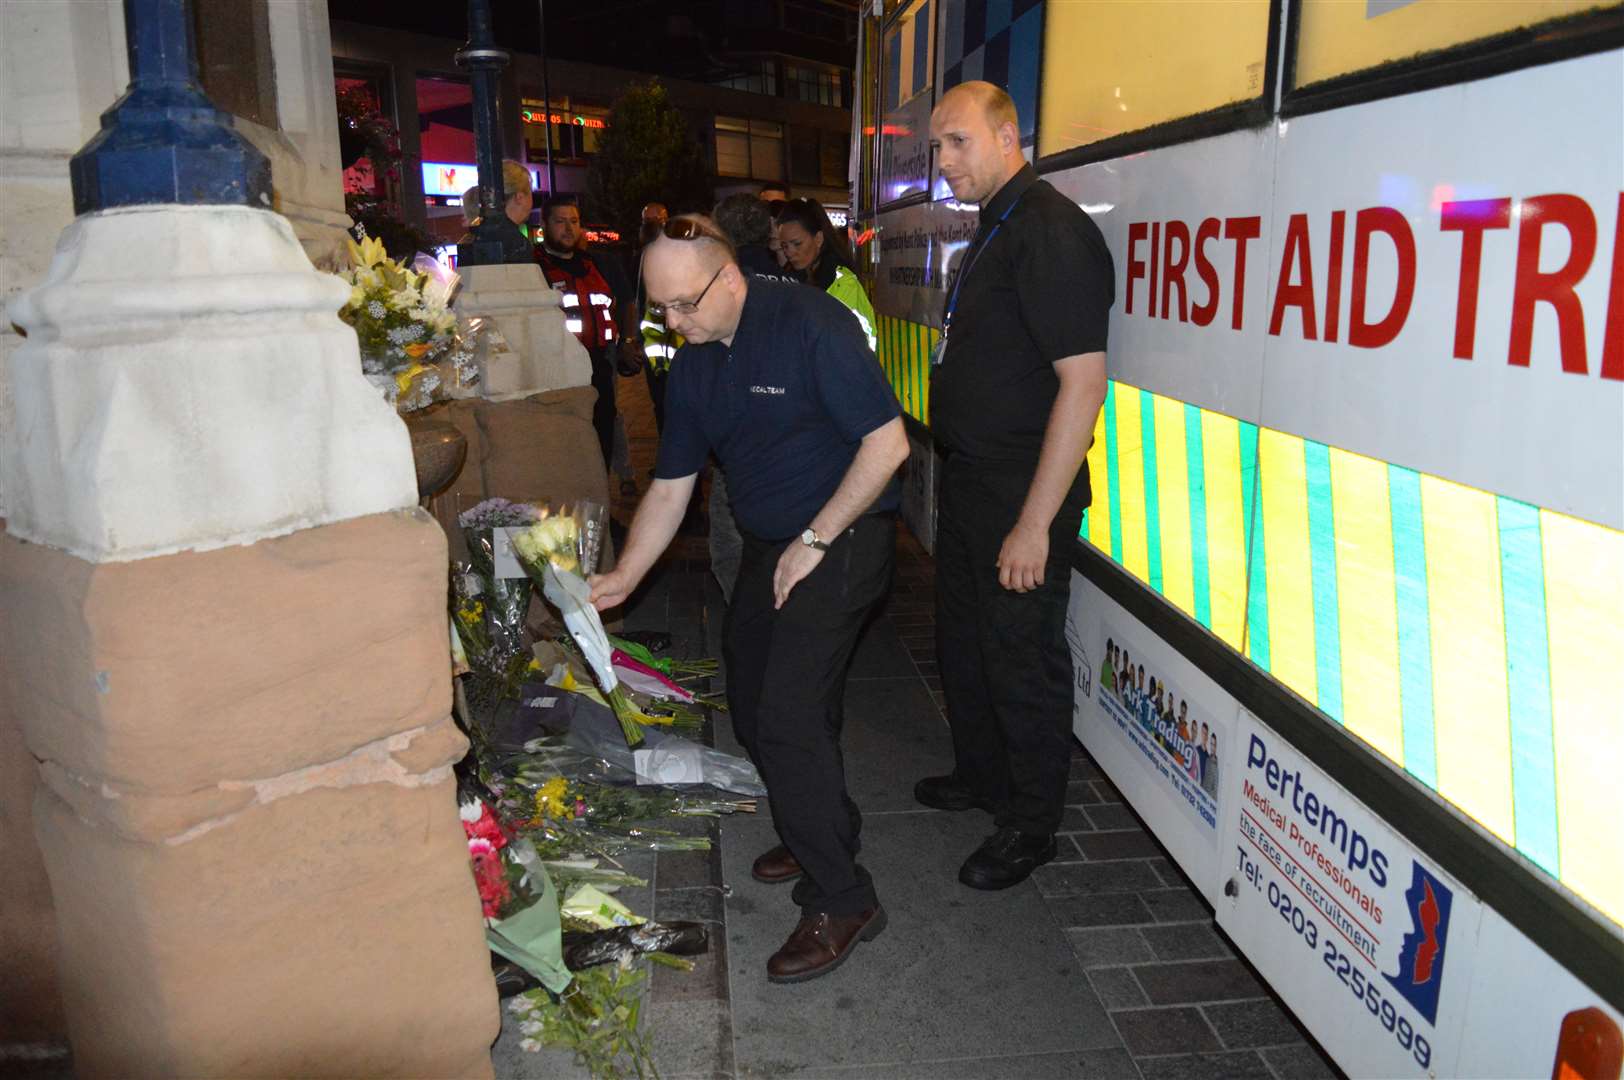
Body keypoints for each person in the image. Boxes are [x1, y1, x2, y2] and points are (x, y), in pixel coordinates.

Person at [588, 215, 908, 983]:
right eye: (660, 308)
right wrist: (626, 575)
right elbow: (672, 483)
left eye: (684, 304)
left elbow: (888, 443)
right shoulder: (695, 358)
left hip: (844, 533)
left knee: (789, 714)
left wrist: (818, 537)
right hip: (774, 543)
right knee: (753, 691)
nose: (673, 322)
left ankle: (843, 895)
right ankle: (821, 823)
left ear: (728, 277)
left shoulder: (811, 324)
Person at [915, 81, 1113, 891]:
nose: (943, 162)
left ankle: (1030, 826)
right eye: (937, 147)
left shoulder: (1049, 230)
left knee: (1020, 660)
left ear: (1007, 136)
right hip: (973, 486)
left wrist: (1033, 524)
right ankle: (982, 778)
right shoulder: (995, 229)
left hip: (1019, 492)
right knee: (965, 645)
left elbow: (1084, 385)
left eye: (958, 142)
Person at [706, 194, 801, 602]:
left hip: (738, 436)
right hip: (793, 434)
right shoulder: (796, 285)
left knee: (731, 536)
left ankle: (746, 609)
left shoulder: (715, 289)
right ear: (768, 233)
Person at [535, 195, 622, 469]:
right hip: (557, 371)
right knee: (568, 446)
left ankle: (602, 507)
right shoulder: (533, 269)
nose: (569, 229)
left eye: (573, 221)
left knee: (602, 439)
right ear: (544, 226)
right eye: (560, 222)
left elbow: (617, 306)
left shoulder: (593, 264)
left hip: (598, 366)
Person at [774, 197, 877, 351]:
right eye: (784, 246)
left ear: (818, 239)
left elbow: (859, 347)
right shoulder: (791, 280)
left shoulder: (843, 283)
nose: (790, 252)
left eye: (797, 244)